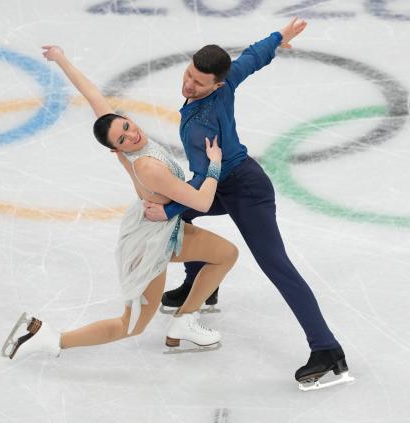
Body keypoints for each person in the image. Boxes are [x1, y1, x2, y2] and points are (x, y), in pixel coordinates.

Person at [143, 18, 352, 389]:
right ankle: (202, 282)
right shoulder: (223, 84)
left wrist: (171, 207)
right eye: (189, 73)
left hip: (244, 189)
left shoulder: (204, 123)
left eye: (199, 82)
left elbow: (204, 184)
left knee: (277, 266)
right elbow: (251, 58)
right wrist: (279, 38)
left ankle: (327, 349)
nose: (189, 84)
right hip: (220, 183)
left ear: (217, 85)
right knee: (175, 217)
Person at [1, 45, 238, 359]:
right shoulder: (149, 168)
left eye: (127, 126)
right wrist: (214, 165)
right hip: (150, 246)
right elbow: (202, 202)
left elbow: (93, 97)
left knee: (225, 254)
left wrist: (62, 59)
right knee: (132, 325)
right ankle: (49, 338)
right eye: (123, 139)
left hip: (163, 229)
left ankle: (183, 323)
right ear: (116, 149)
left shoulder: (125, 136)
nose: (132, 135)